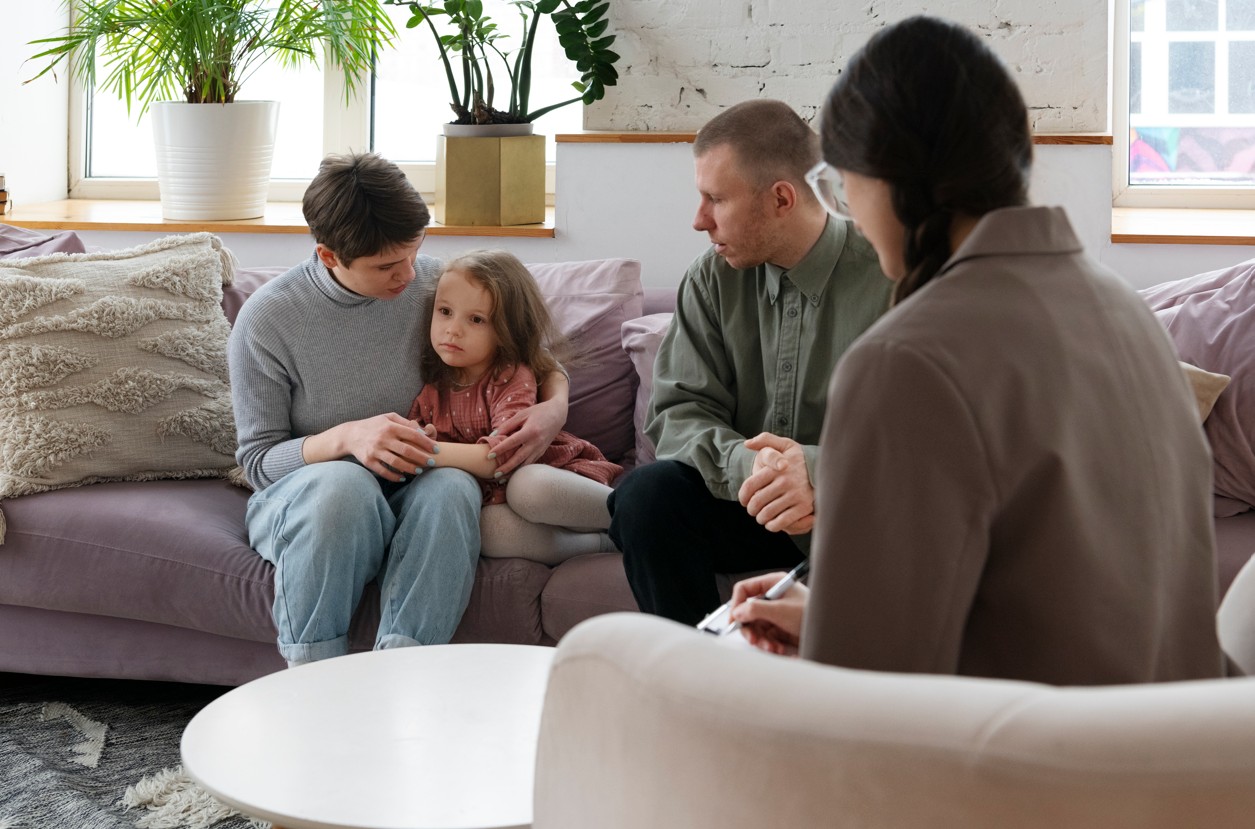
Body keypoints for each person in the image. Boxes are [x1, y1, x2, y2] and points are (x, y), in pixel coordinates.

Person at [729, 15, 1226, 684]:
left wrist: (819, 647)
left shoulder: (904, 360)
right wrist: (826, 619)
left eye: (840, 182)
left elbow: (862, 692)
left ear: (884, 174)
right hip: (1173, 758)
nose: (845, 206)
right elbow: (1056, 607)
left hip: (1016, 774)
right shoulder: (1125, 314)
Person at [228, 153, 569, 666]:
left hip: (423, 481)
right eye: (387, 266)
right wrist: (347, 440)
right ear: (327, 256)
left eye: (415, 252)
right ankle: (312, 677)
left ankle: (403, 670)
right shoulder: (267, 321)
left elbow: (535, 359)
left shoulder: (439, 287)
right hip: (315, 499)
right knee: (343, 485)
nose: (408, 275)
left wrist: (554, 409)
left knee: (455, 487)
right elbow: (257, 465)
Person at [607, 99, 892, 625]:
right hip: (744, 501)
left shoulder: (891, 276)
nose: (699, 220)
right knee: (645, 497)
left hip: (853, 512)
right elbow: (677, 412)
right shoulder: (711, 278)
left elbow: (926, 439)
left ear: (781, 198)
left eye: (715, 199)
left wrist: (814, 472)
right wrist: (757, 468)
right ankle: (696, 680)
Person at [408, 250, 622, 564]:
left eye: (476, 319)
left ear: (507, 329)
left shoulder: (509, 375)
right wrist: (419, 435)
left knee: (527, 488)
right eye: (444, 311)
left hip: (550, 477)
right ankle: (606, 544)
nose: (452, 329)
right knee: (489, 530)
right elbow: (416, 435)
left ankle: (637, 516)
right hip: (498, 501)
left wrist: (423, 451)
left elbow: (500, 458)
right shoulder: (433, 387)